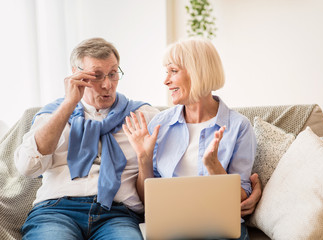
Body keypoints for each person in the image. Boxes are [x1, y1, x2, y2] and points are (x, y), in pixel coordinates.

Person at [14, 38, 159, 240]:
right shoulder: (52, 115)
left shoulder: (142, 116)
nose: (107, 85)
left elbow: (164, 179)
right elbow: (27, 167)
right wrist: (69, 103)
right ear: (76, 74)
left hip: (117, 214)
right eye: (97, 76)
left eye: (113, 74)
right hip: (56, 211)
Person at [123, 37, 260, 240]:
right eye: (166, 72)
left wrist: (214, 166)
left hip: (218, 227)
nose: (166, 81)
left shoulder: (238, 126)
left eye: (173, 71)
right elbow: (149, 201)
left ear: (198, 72)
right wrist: (144, 158)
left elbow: (242, 200)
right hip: (170, 227)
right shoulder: (161, 124)